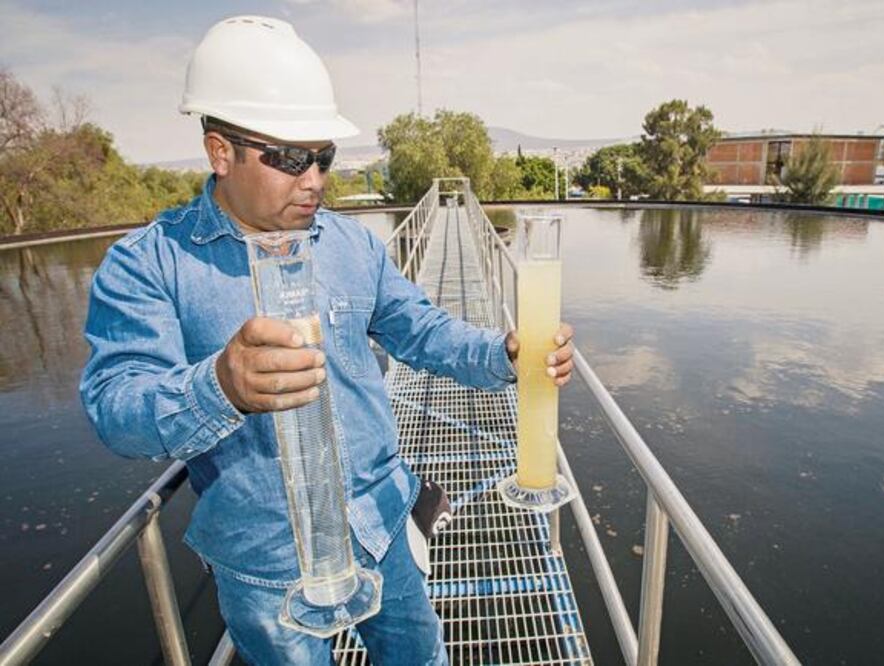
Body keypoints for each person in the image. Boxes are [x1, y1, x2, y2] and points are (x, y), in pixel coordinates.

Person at [78, 15, 574, 666]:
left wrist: (502, 354)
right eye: (288, 158)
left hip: (383, 525)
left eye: (323, 156)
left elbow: (419, 328)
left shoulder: (349, 246)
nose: (313, 179)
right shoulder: (147, 266)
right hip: (268, 564)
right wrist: (219, 386)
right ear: (219, 151)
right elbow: (117, 411)